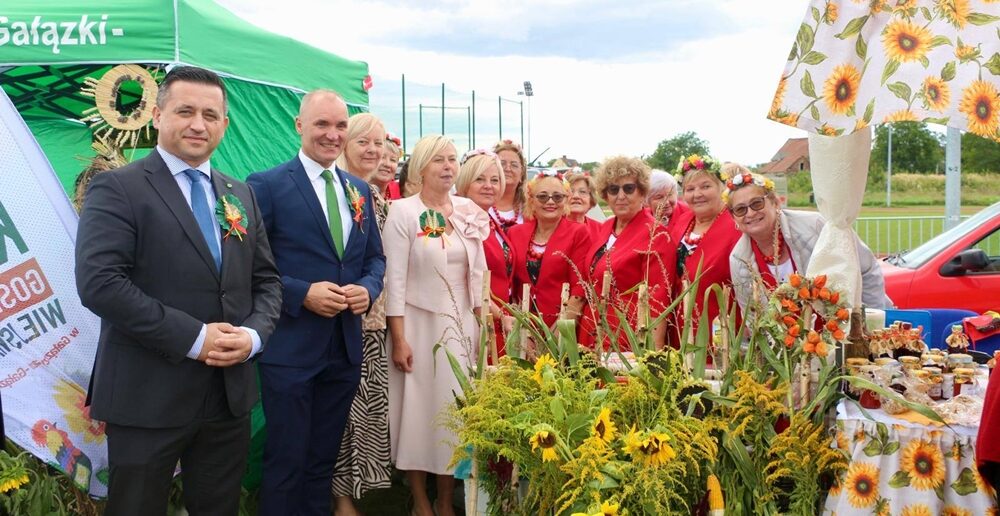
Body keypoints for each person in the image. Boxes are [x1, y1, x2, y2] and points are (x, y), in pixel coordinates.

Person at [75, 66, 282, 515]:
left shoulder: (240, 195)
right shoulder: (118, 188)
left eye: (211, 114)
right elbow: (100, 283)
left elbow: (266, 282)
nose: (198, 124)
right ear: (157, 113)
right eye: (185, 110)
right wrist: (195, 338)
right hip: (147, 394)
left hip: (228, 396)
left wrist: (252, 337)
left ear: (225, 124)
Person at [247, 90, 386, 516]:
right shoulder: (266, 185)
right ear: (299, 126)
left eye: (340, 126)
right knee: (287, 460)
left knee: (322, 462)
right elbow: (250, 262)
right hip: (290, 348)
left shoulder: (358, 189)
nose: (332, 134)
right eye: (323, 124)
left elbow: (376, 258)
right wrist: (300, 292)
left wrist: (368, 287)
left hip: (343, 349)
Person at [384, 135, 489, 516]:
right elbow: (394, 280)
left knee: (455, 411)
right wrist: (399, 339)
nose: (448, 166)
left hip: (462, 323)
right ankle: (421, 498)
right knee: (417, 411)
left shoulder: (466, 210)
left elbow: (479, 272)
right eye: (439, 160)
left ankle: (447, 499)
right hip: (418, 324)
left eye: (453, 159)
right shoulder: (404, 212)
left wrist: (485, 319)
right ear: (421, 167)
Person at [330, 113, 393, 514]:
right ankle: (340, 500)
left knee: (366, 415)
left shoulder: (375, 195)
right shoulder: (340, 193)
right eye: (363, 142)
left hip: (374, 321)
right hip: (344, 318)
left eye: (379, 143)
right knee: (342, 414)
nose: (373, 150)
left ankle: (352, 498)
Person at [726, 171, 893, 312]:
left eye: (757, 203)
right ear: (734, 218)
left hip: (844, 330)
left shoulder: (815, 226)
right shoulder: (739, 259)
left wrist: (872, 320)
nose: (750, 213)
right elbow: (753, 315)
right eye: (740, 209)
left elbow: (865, 268)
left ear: (775, 202)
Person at [581, 156, 676, 350]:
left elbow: (658, 303)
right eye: (613, 190)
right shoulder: (606, 227)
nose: (621, 196)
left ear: (642, 192)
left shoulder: (656, 235)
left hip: (626, 341)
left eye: (629, 188)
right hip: (592, 332)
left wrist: (652, 356)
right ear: (605, 195)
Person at [508, 172, 591, 333]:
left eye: (558, 197)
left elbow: (579, 288)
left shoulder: (578, 233)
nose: (551, 202)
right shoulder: (515, 233)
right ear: (531, 200)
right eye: (543, 197)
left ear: (566, 200)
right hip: (523, 326)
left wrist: (560, 331)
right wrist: (521, 330)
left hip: (563, 326)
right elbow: (512, 285)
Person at [455, 148, 514, 357]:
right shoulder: (461, 221)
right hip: (478, 321)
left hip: (498, 322)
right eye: (480, 179)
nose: (489, 186)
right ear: (465, 182)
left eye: (495, 180)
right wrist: (501, 316)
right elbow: (471, 282)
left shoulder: (487, 220)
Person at [672, 156, 742, 333]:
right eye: (690, 189)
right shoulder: (682, 221)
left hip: (719, 331)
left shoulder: (737, 226)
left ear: (721, 188)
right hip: (678, 329)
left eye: (705, 186)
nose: (697, 194)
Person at [490, 139, 527, 231]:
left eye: (514, 165)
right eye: (502, 164)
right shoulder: (480, 204)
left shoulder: (531, 208)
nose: (508, 169)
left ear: (522, 174)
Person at [646, 169, 690, 236]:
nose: (666, 202)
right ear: (648, 201)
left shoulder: (689, 213)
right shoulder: (642, 218)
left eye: (669, 195)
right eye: (659, 197)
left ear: (676, 194)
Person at [564, 170, 603, 239]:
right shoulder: (551, 227)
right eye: (571, 191)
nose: (576, 196)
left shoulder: (601, 230)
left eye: (582, 192)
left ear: (591, 199)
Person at [379, 132, 403, 200]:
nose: (387, 164)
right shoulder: (358, 189)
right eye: (382, 157)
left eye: (393, 160)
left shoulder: (401, 190)